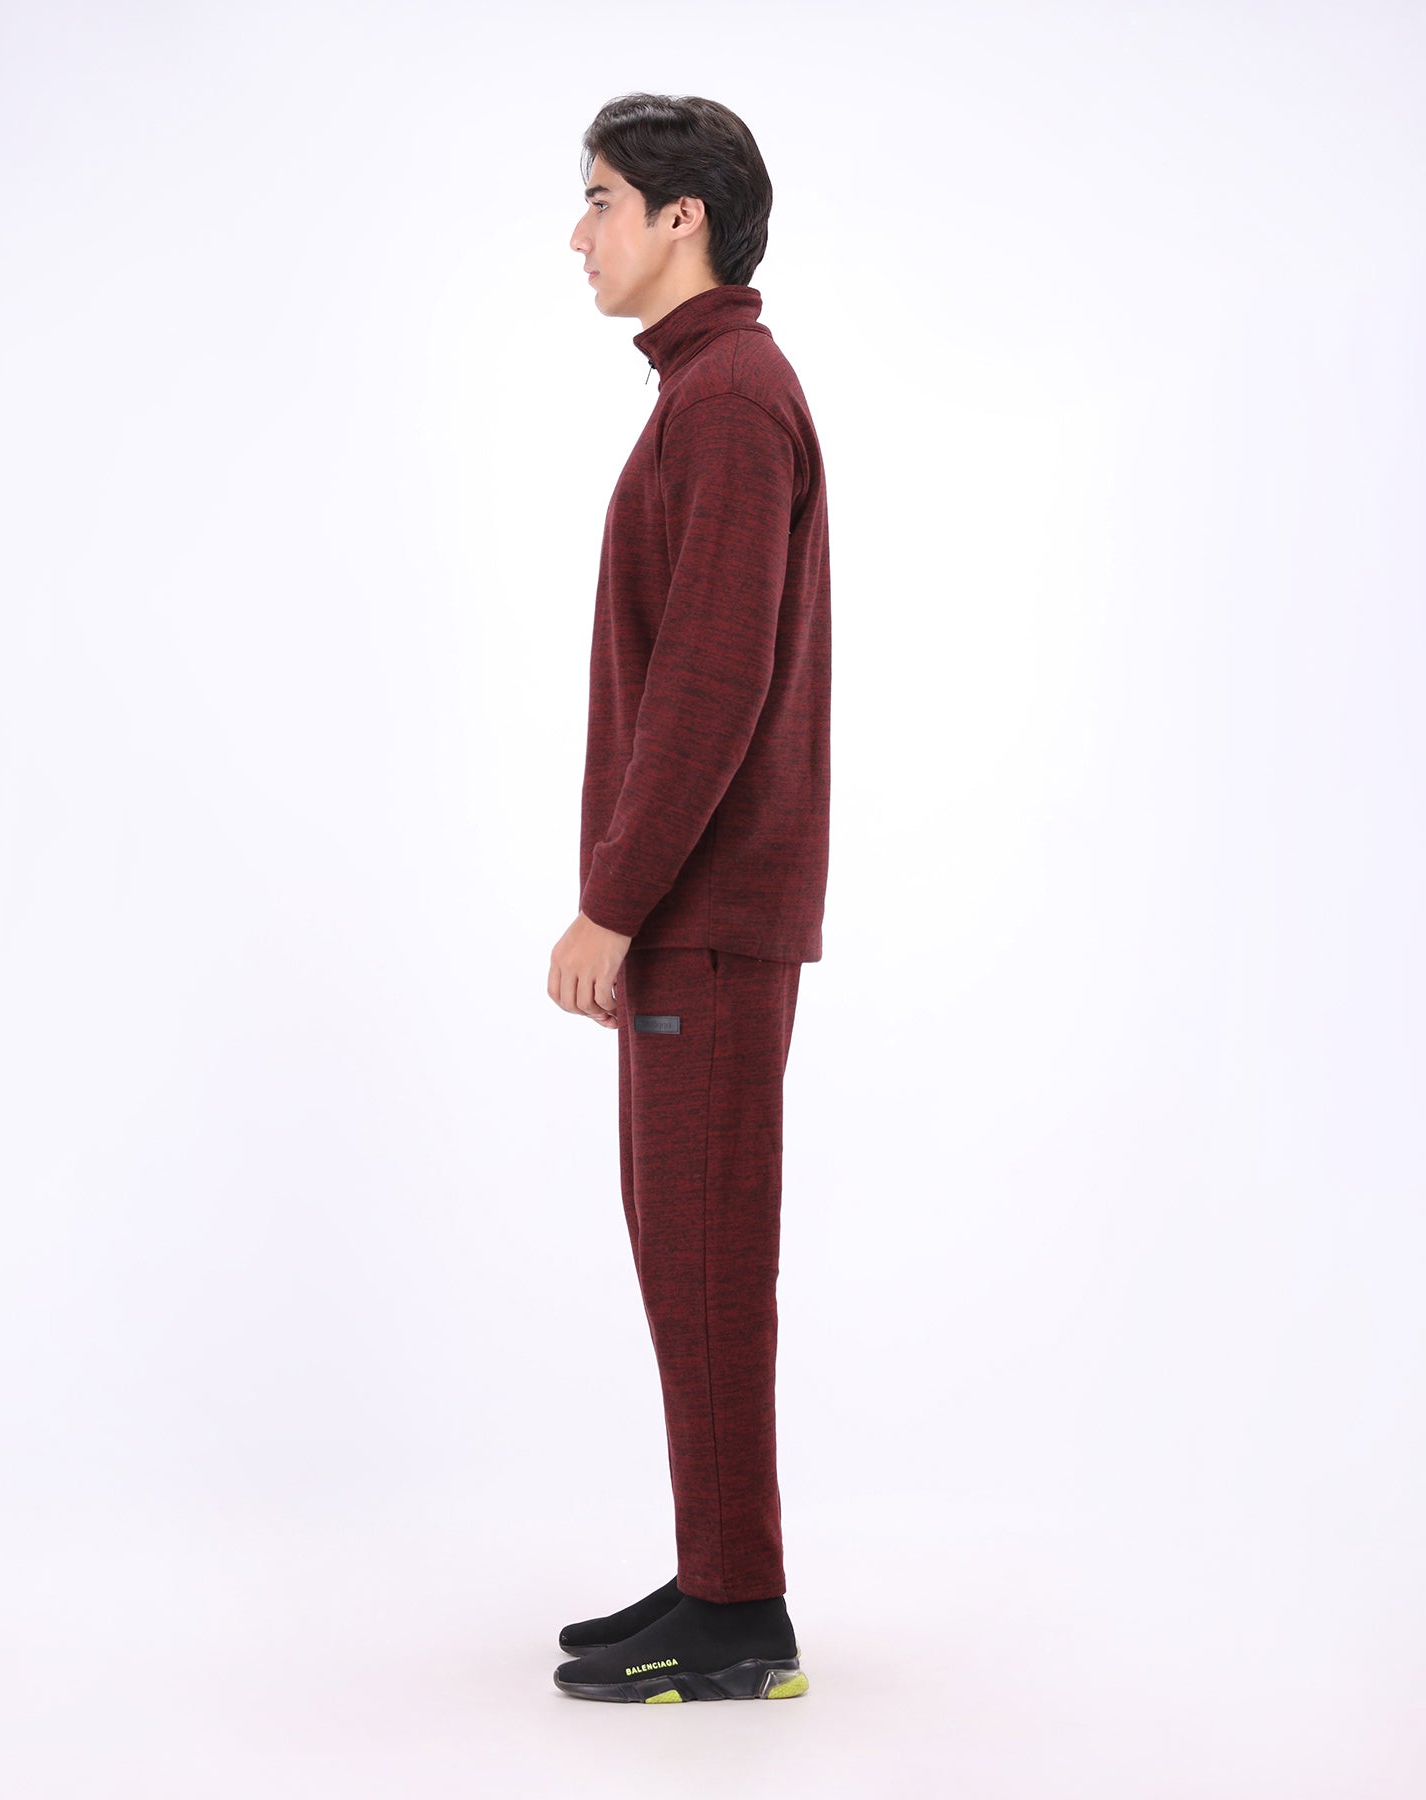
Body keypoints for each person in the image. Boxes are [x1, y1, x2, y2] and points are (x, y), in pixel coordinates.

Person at [546, 91, 831, 1705]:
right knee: (686, 1253)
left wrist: (612, 904)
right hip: (700, 920)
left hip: (704, 922)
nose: (578, 234)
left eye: (601, 200)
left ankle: (741, 1620)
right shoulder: (708, 391)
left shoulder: (727, 400)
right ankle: (719, 1571)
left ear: (683, 218)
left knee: (708, 1256)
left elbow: (710, 688)